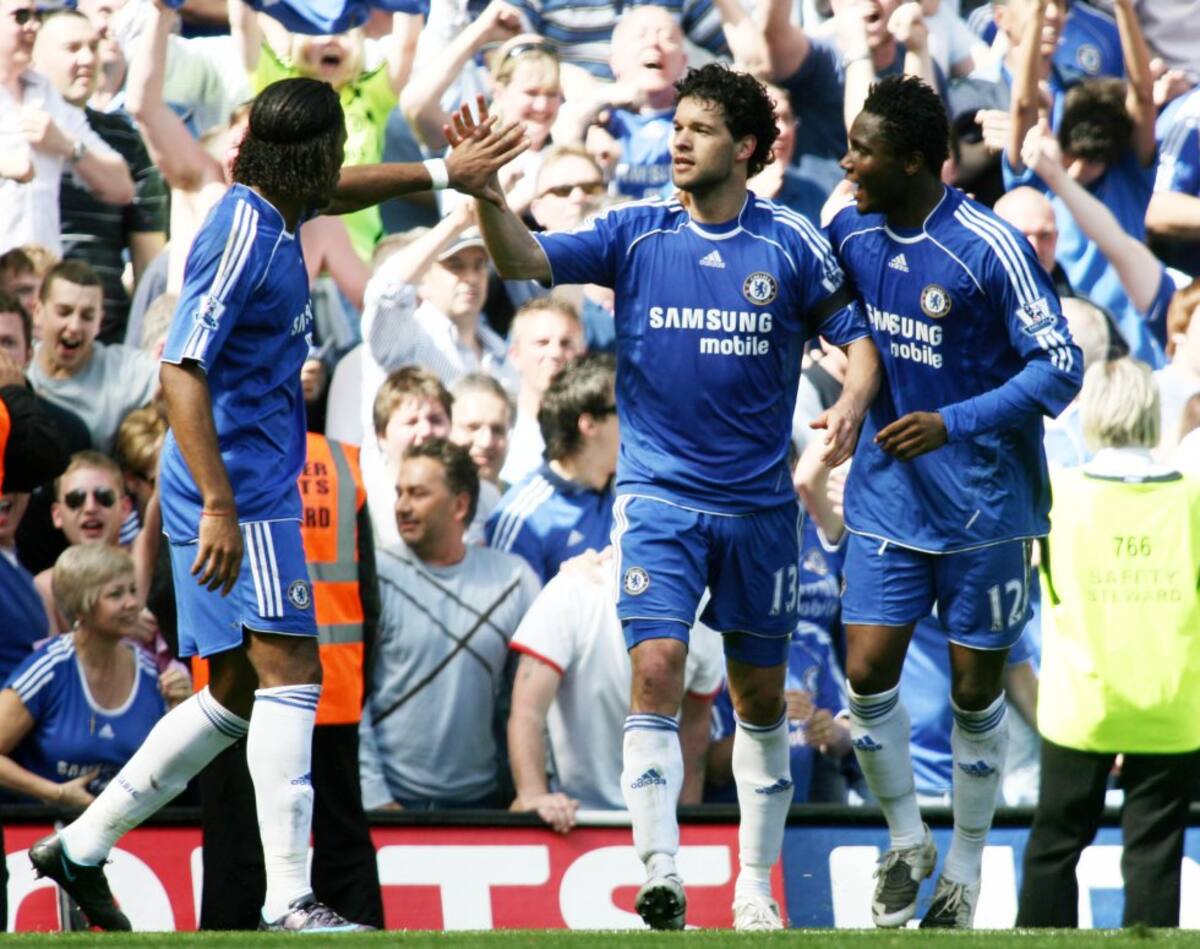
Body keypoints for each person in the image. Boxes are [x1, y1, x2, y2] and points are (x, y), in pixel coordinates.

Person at [26, 76, 527, 932]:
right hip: (242, 491)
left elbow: (341, 184)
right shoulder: (245, 239)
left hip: (242, 481)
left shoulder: (278, 199)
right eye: (330, 150)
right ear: (306, 156)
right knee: (295, 672)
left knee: (235, 697)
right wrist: (220, 502)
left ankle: (79, 847)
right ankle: (290, 896)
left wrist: (445, 171)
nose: (337, 166)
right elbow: (179, 369)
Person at [454, 62, 879, 931]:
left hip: (760, 513)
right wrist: (486, 194)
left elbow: (859, 339)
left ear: (749, 147)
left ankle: (754, 886)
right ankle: (659, 870)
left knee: (759, 700)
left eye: (700, 128)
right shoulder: (636, 233)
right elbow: (525, 258)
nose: (678, 138)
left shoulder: (792, 243)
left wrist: (851, 400)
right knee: (656, 668)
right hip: (657, 501)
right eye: (675, 124)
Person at [827, 74, 1082, 929]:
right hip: (889, 492)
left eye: (862, 149)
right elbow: (836, 316)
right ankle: (908, 840)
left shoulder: (987, 244)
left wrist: (955, 421)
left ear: (912, 161)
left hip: (984, 502)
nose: (846, 160)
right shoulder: (848, 222)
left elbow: (1061, 366)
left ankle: (965, 872)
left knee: (979, 692)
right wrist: (852, 391)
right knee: (865, 669)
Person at [1017, 357, 1200, 928]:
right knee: (1155, 855)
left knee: (1054, 847)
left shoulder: (1056, 497)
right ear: (1151, 412)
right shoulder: (1192, 501)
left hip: (1082, 703)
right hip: (1169, 707)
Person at [189, 430, 384, 930]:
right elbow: (370, 594)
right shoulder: (342, 463)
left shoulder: (205, 449)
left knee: (237, 845)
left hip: (235, 686)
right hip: (332, 683)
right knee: (340, 838)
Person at [360, 439, 540, 809]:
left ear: (459, 505)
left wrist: (530, 788)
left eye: (418, 494)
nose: (402, 507)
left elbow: (536, 700)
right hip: (389, 809)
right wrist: (374, 794)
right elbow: (349, 694)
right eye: (399, 493)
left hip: (486, 808)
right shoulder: (374, 576)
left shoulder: (513, 580)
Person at [508, 549, 722, 824]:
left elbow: (695, 727)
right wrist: (534, 796)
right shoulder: (573, 588)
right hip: (567, 812)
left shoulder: (706, 609)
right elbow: (527, 710)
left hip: (656, 816)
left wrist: (687, 816)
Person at [0, 545, 174, 806]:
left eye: (133, 591)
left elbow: (169, 775)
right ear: (81, 607)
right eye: (116, 594)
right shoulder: (50, 667)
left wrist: (179, 708)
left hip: (129, 834)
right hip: (43, 829)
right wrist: (55, 793)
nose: (132, 603)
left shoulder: (152, 673)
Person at [32, 10, 168, 343]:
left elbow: (149, 256)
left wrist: (140, 342)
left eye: (93, 47)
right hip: (21, 330)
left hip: (104, 340)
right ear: (35, 57)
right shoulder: (10, 128)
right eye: (72, 48)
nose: (87, 59)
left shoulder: (124, 140)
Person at [0, 0, 134, 257]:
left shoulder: (46, 95)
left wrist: (68, 146)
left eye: (36, 16)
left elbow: (122, 187)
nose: (33, 26)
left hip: (39, 276)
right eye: (20, 17)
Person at [487, 353, 616, 583]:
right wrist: (570, 588)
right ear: (589, 424)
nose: (639, 420)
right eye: (626, 408)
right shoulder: (524, 518)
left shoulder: (631, 494)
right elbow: (509, 614)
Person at [26, 259, 158, 454]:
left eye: (87, 316)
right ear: (38, 312)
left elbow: (172, 376)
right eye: (64, 312)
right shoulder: (18, 363)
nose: (74, 327)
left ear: (99, 322)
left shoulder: (120, 369)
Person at [33, 451, 132, 634]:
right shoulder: (44, 588)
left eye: (104, 497)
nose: (90, 508)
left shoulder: (145, 569)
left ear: (125, 508)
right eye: (75, 500)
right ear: (57, 514)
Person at [497, 297, 585, 487]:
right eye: (542, 343)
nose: (555, 353)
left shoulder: (594, 429)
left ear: (582, 355)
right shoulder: (497, 428)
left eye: (566, 344)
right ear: (515, 356)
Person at [450, 372, 513, 488]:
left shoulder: (519, 501)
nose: (486, 442)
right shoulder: (423, 502)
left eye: (497, 430)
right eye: (473, 427)